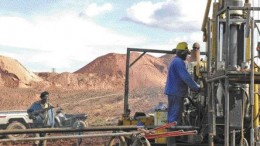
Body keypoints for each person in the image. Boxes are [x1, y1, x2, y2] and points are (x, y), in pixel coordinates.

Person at [164, 42, 200, 146]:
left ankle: (173, 140)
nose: (186, 55)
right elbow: (186, 77)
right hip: (176, 93)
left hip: (175, 92)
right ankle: (171, 143)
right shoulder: (179, 62)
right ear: (181, 52)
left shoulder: (175, 61)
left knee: (174, 117)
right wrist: (196, 87)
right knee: (173, 118)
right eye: (185, 53)